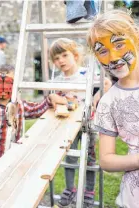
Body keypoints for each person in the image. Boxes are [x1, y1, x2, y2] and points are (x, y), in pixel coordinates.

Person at [0, 64, 68, 178]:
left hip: (11, 160)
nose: (4, 87)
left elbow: (37, 109)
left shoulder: (20, 105)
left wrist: (50, 99)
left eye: (8, 83)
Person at [49, 38, 112, 208]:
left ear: (75, 55)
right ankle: (71, 189)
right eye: (56, 58)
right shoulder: (58, 80)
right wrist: (57, 97)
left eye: (64, 55)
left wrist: (93, 100)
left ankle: (89, 192)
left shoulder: (86, 74)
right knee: (68, 157)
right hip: (68, 125)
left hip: (88, 125)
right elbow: (51, 96)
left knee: (89, 159)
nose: (60, 60)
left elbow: (107, 83)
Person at [87, 10, 139, 208]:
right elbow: (106, 160)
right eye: (102, 51)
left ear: (136, 38)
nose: (113, 57)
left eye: (119, 44)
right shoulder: (108, 102)